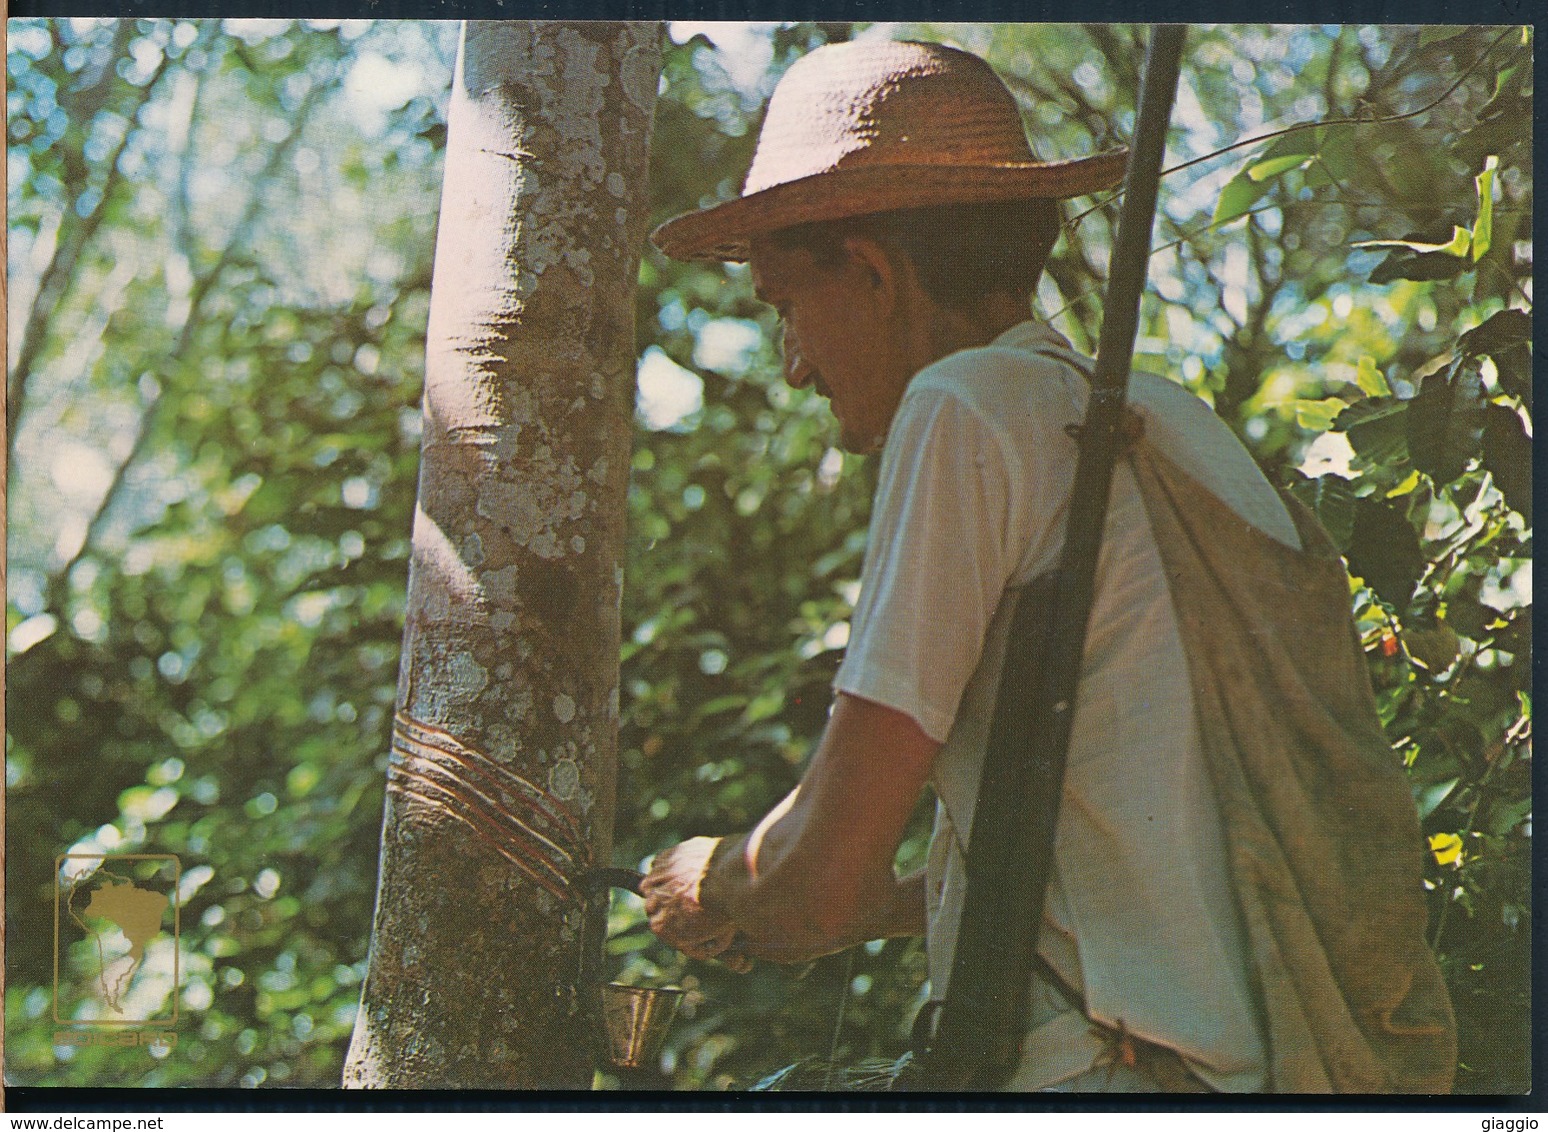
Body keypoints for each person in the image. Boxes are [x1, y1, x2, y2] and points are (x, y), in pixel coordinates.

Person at [640, 38, 1454, 1093]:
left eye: (785, 307)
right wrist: (897, 901)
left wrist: (721, 880)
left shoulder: (963, 405)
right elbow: (1133, 831)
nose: (792, 362)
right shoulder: (1171, 418)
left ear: (874, 270)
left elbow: (817, 882)